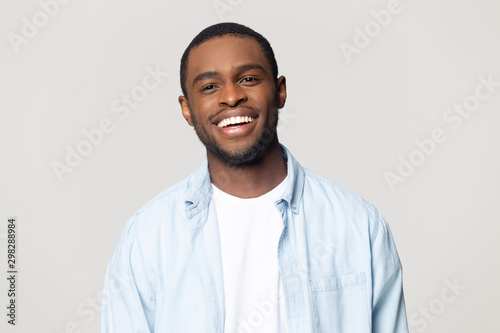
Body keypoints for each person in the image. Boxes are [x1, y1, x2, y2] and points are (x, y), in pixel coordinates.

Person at [101, 22, 409, 333]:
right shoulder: (147, 237)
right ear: (187, 110)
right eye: (209, 86)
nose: (232, 97)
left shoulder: (358, 225)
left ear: (279, 91)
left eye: (248, 79)